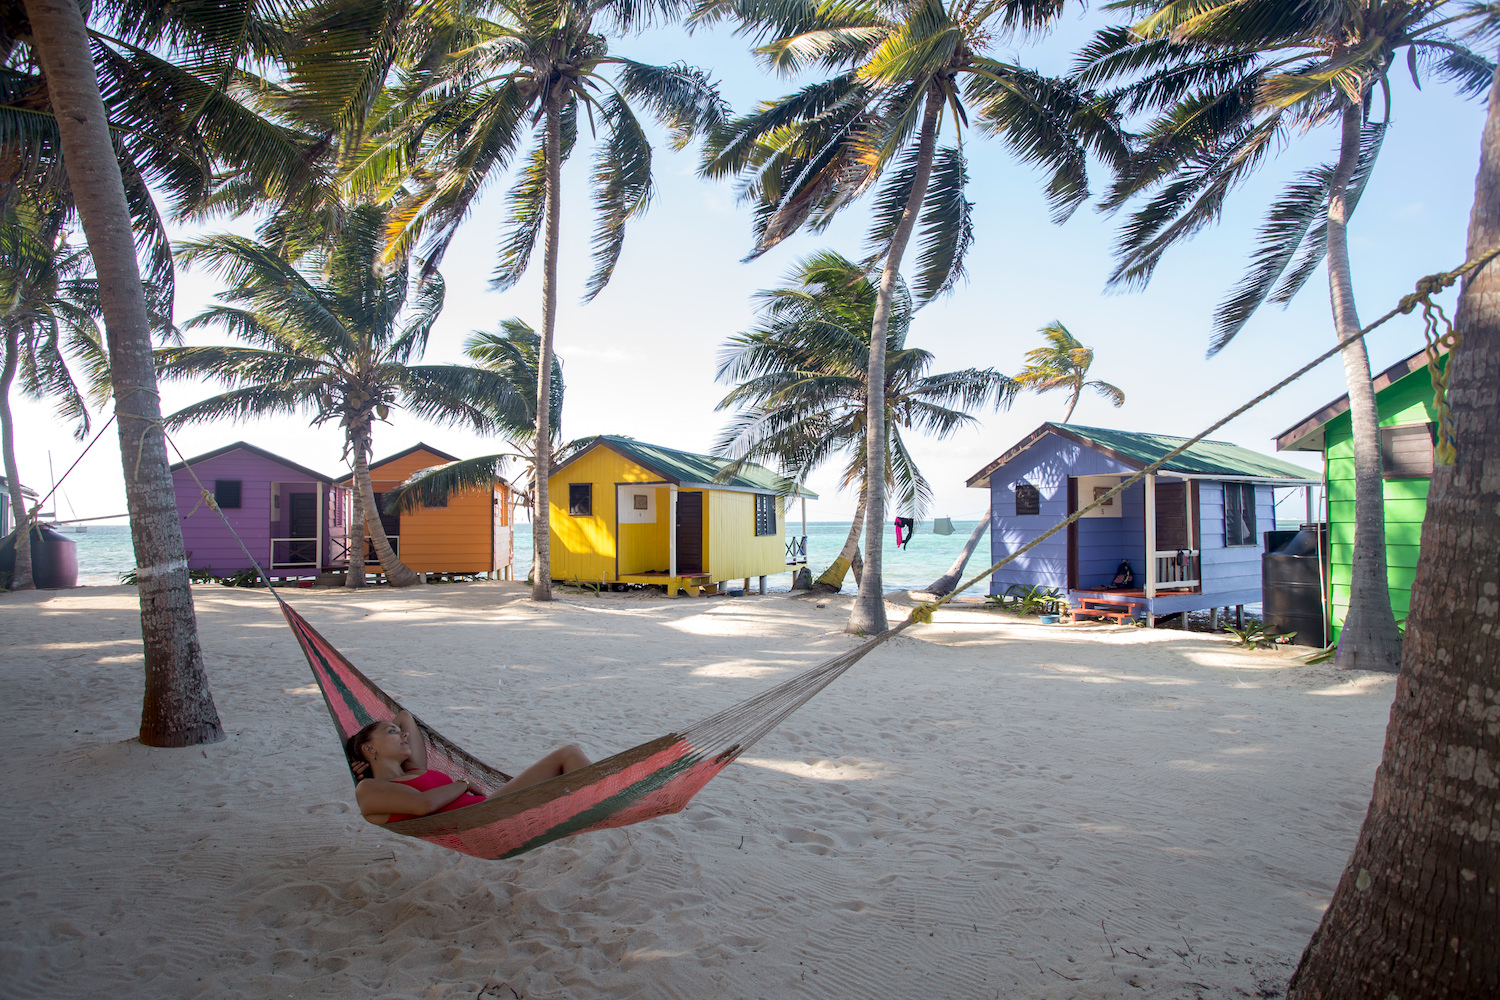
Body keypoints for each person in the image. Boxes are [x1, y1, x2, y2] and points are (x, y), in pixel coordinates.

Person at [346, 710, 591, 824]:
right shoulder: (368, 789)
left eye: (401, 734)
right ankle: (611, 795)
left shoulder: (414, 769)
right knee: (568, 753)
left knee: (571, 755)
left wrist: (363, 755)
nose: (404, 736)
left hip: (493, 807)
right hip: (488, 819)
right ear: (370, 749)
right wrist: (462, 784)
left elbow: (403, 717)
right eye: (392, 733)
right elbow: (423, 805)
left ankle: (607, 796)